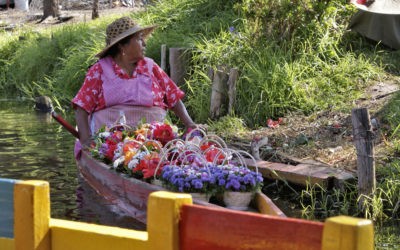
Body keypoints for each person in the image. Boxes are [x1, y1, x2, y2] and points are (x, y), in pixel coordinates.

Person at [72, 16, 197, 155]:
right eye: (139, 39)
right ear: (122, 46)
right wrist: (86, 140)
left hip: (155, 144)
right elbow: (81, 108)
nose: (144, 43)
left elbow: (174, 99)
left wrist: (190, 124)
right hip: (111, 147)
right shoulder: (100, 70)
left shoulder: (150, 67)